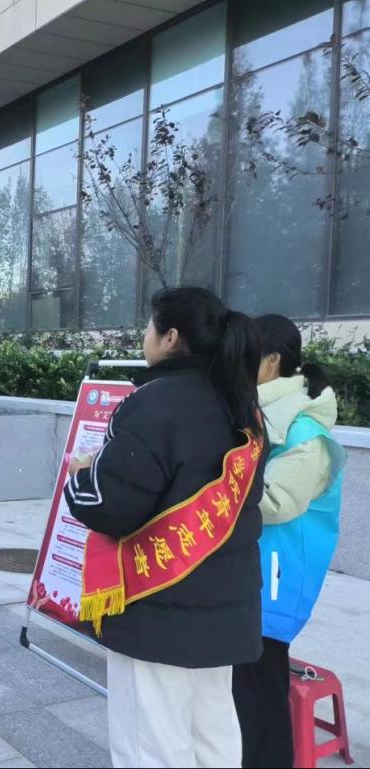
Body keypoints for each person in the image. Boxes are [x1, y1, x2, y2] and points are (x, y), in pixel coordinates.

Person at [64, 287, 266, 769]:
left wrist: (79, 475)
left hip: (158, 605)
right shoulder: (242, 403)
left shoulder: (153, 403)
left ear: (171, 337)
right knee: (213, 733)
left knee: (151, 743)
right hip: (225, 605)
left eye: (150, 327)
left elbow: (110, 506)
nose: (145, 337)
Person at [232, 315, 346, 769]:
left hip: (275, 578)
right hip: (249, 569)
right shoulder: (258, 414)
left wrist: (207, 482)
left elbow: (276, 501)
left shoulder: (302, 432)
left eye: (245, 354)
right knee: (240, 690)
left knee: (259, 694)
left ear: (271, 361)